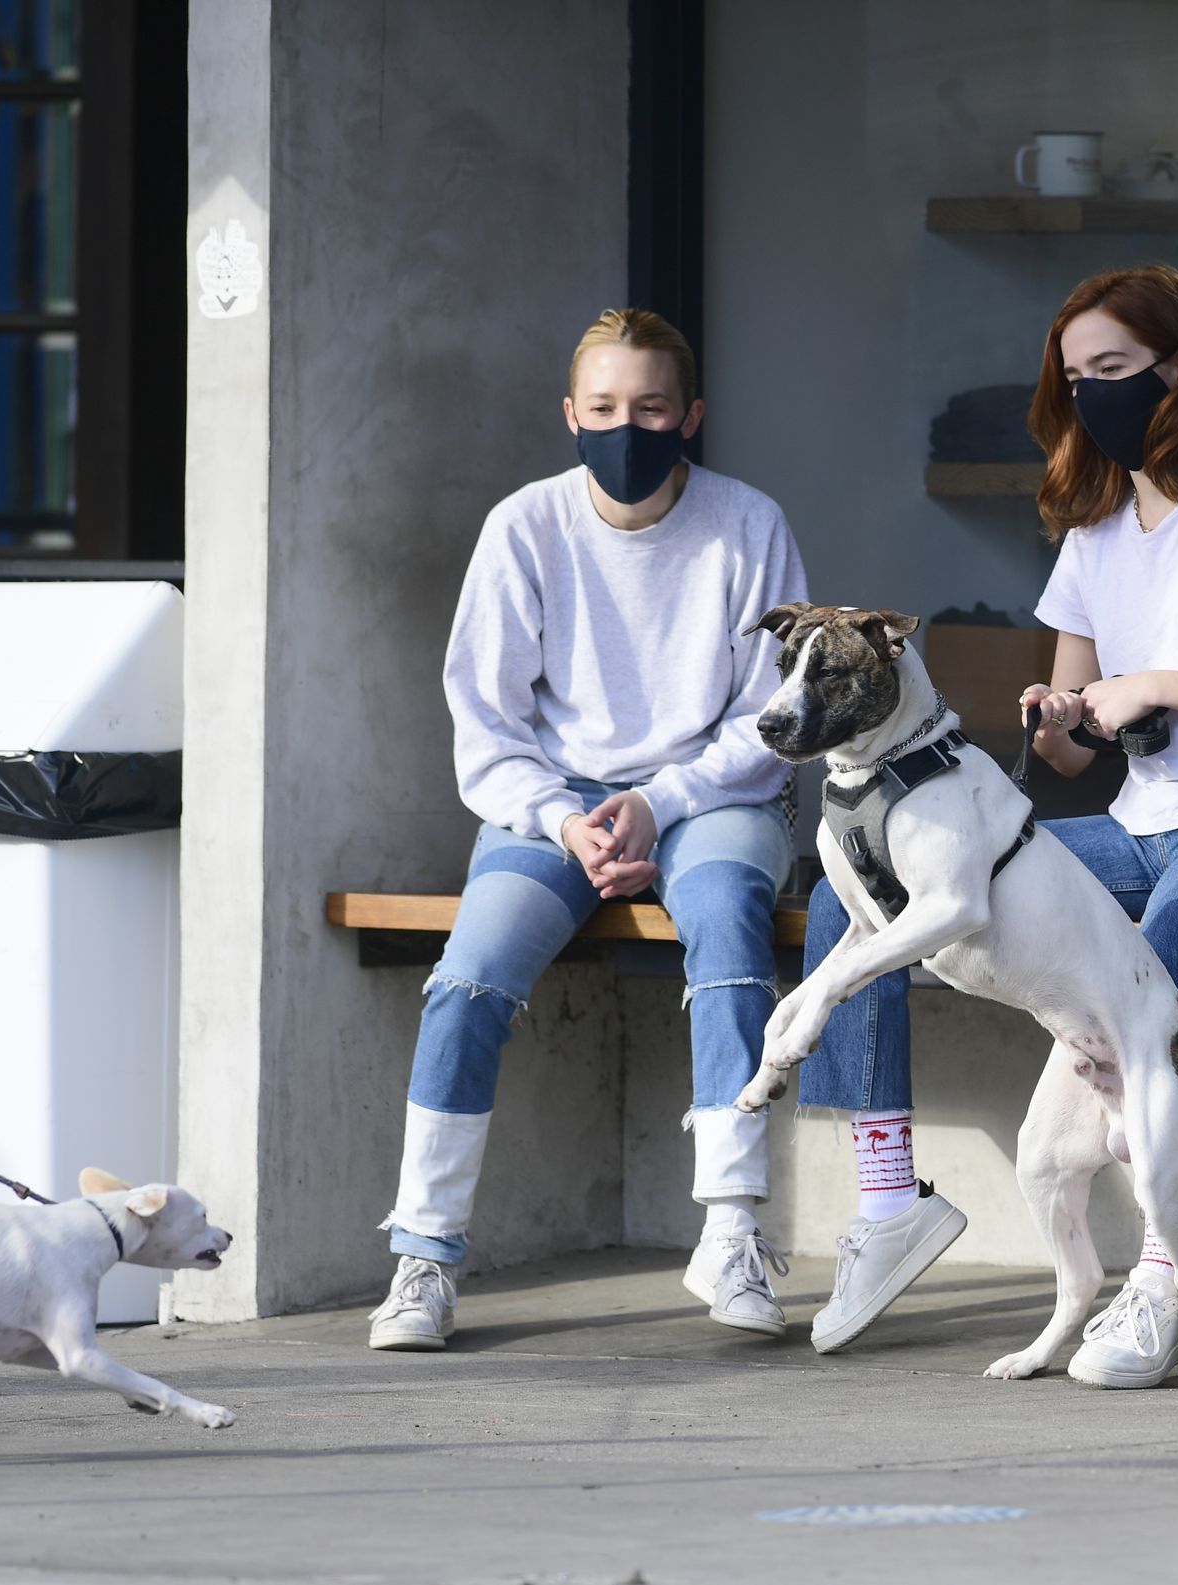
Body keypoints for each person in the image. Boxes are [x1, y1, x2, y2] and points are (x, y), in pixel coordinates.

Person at [795, 264, 1178, 1385]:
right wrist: (1060, 720)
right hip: (1140, 821)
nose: (1092, 393)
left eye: (1113, 370)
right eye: (1075, 376)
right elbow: (1066, 752)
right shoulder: (1095, 533)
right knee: (846, 902)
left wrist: (1157, 683)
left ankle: (1160, 1268)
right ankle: (888, 1193)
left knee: (1171, 943)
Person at [368, 308, 808, 1350]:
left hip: (713, 799)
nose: (627, 427)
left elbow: (773, 716)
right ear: (570, 414)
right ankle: (423, 1257)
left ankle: (733, 1229)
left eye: (651, 406)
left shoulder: (749, 525)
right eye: (604, 407)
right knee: (470, 974)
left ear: (689, 414)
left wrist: (658, 800)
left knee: (730, 926)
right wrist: (569, 819)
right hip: (556, 801)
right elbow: (486, 720)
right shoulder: (526, 526)